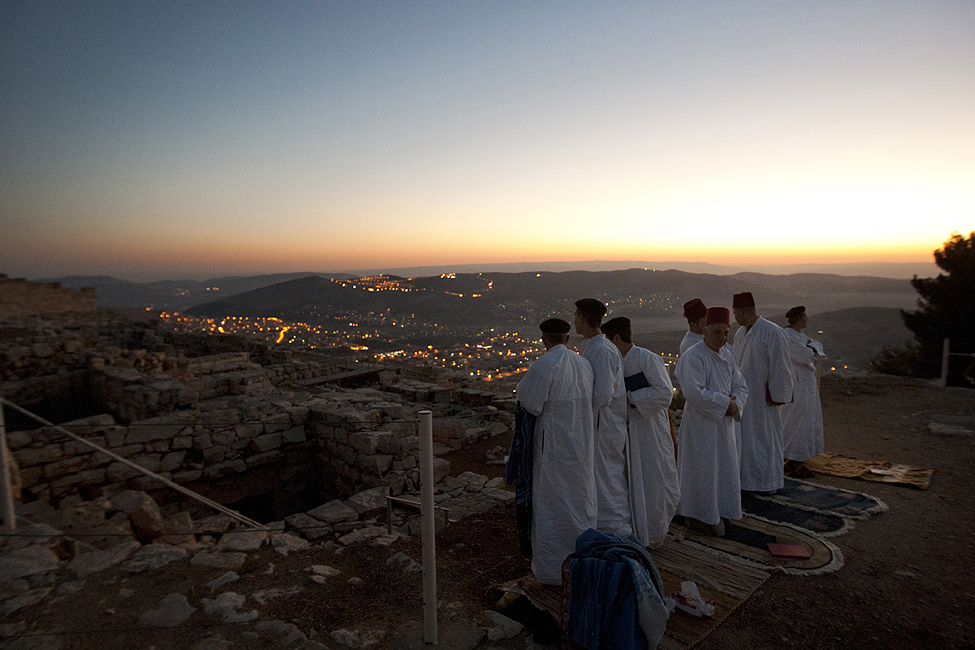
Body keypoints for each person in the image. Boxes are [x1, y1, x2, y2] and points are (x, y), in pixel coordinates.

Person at [515, 318, 597, 585]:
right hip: (581, 444)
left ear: (544, 340)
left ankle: (552, 570)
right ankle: (582, 559)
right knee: (579, 500)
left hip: (553, 448)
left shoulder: (544, 364)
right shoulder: (584, 364)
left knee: (551, 505)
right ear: (567, 339)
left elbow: (529, 402)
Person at [602, 317, 679, 548]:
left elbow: (665, 394)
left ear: (616, 338)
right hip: (624, 434)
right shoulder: (614, 362)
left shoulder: (647, 358)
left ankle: (654, 533)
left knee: (652, 479)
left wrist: (631, 399)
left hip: (649, 434)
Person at [674, 307, 748, 536]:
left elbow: (740, 385)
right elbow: (694, 393)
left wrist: (735, 404)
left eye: (726, 333)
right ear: (705, 331)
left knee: (724, 468)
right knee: (703, 470)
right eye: (717, 332)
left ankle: (722, 510)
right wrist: (726, 404)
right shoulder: (693, 356)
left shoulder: (728, 353)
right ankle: (699, 515)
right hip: (701, 425)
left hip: (724, 426)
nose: (722, 338)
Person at [574, 298, 631, 538]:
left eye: (575, 315)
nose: (573, 320)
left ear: (582, 318)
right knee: (598, 477)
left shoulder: (603, 350)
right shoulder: (591, 346)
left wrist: (582, 419)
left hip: (605, 426)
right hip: (597, 424)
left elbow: (603, 394)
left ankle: (618, 531)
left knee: (608, 477)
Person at [732, 292, 794, 494]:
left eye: (737, 313)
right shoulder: (740, 333)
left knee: (766, 438)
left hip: (764, 398)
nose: (735, 318)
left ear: (747, 311)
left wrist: (778, 396)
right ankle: (748, 482)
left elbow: (781, 367)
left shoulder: (772, 332)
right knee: (747, 440)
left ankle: (768, 483)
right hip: (744, 397)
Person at [780, 306, 825, 477]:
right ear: (799, 319)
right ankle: (790, 457)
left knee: (806, 420)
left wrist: (812, 349)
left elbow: (815, 347)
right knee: (796, 421)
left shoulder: (799, 336)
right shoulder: (789, 337)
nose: (808, 320)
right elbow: (806, 355)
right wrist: (812, 349)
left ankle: (797, 458)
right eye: (805, 317)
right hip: (798, 383)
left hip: (806, 382)